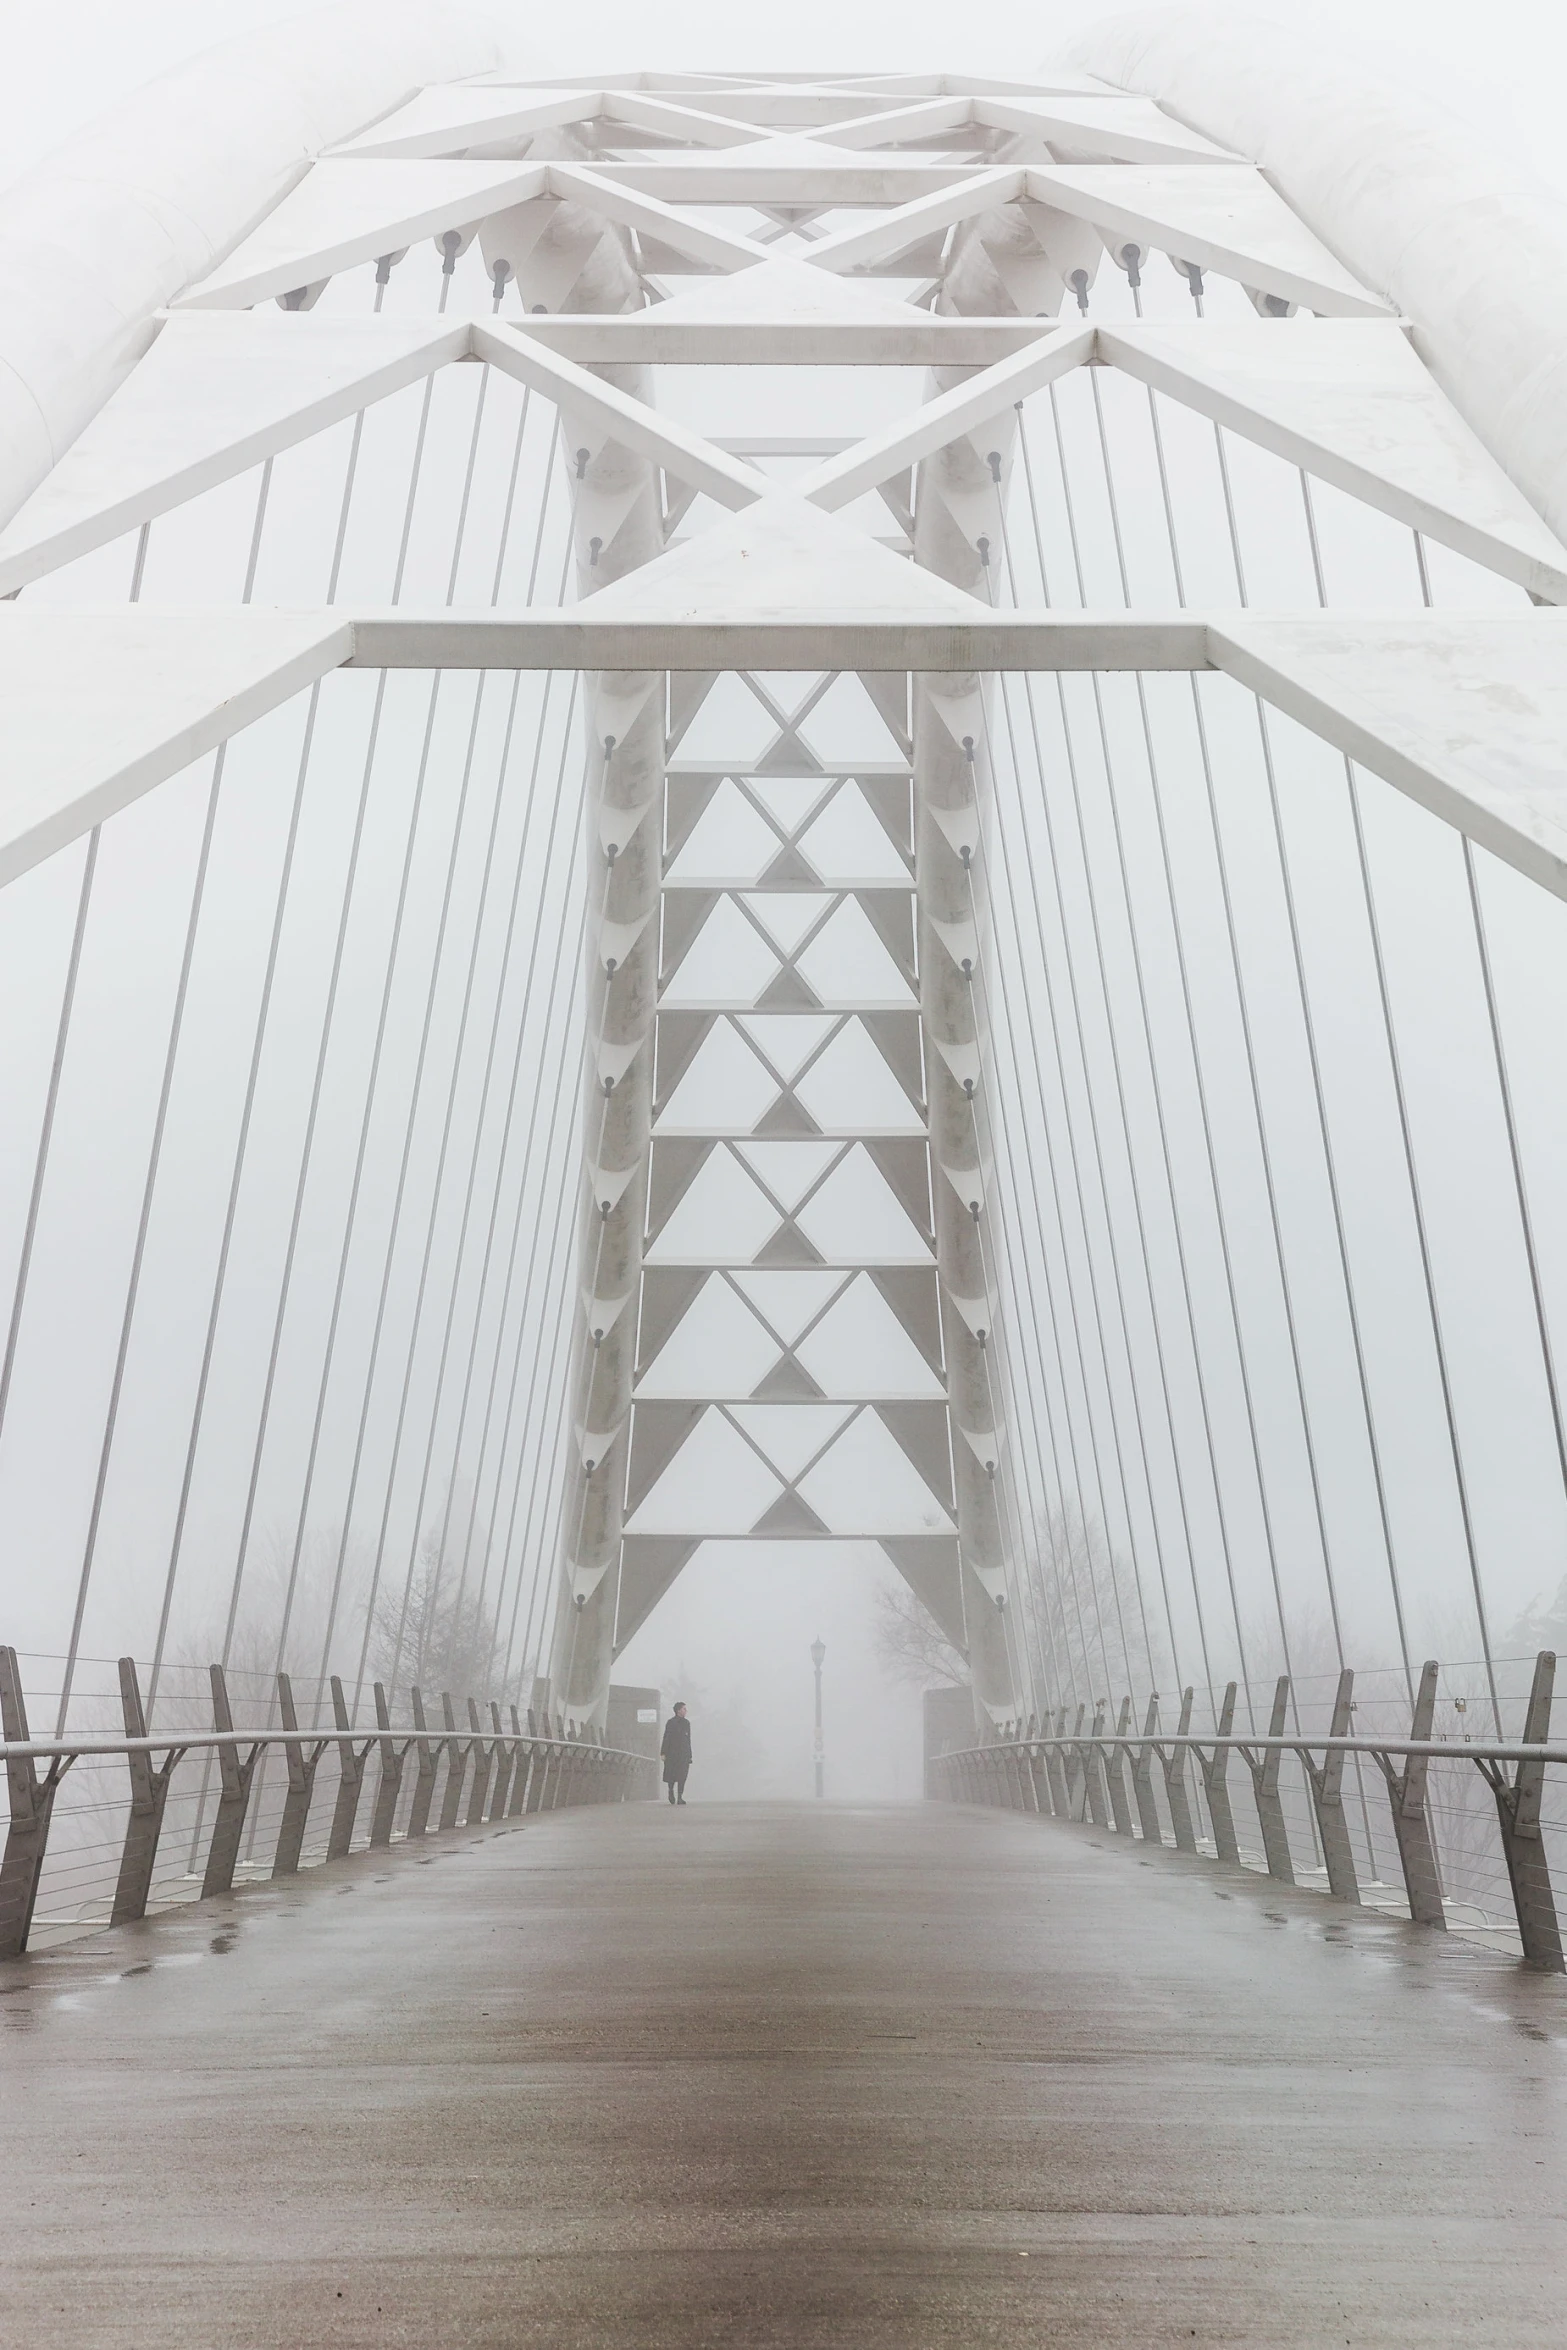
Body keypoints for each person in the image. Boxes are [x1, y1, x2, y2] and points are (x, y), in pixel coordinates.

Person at [660, 1701, 692, 1805]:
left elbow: (688, 1740)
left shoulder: (687, 1723)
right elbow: (666, 1738)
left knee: (682, 1775)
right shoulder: (671, 1722)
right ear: (678, 1710)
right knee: (672, 1774)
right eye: (684, 1709)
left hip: (683, 1753)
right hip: (672, 1753)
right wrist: (663, 1752)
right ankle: (671, 1791)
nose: (685, 1711)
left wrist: (689, 1755)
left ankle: (680, 1796)